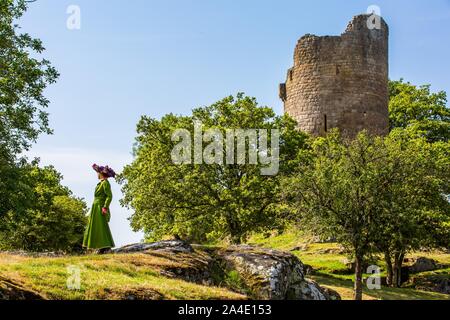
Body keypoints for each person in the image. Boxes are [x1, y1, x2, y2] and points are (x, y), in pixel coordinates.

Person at [83, 164, 116, 254]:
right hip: (95, 207)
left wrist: (105, 207)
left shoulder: (105, 183)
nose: (97, 174)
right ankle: (101, 247)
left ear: (101, 174)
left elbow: (109, 196)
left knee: (102, 226)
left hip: (100, 207)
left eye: (97, 173)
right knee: (96, 226)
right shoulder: (101, 183)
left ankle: (106, 246)